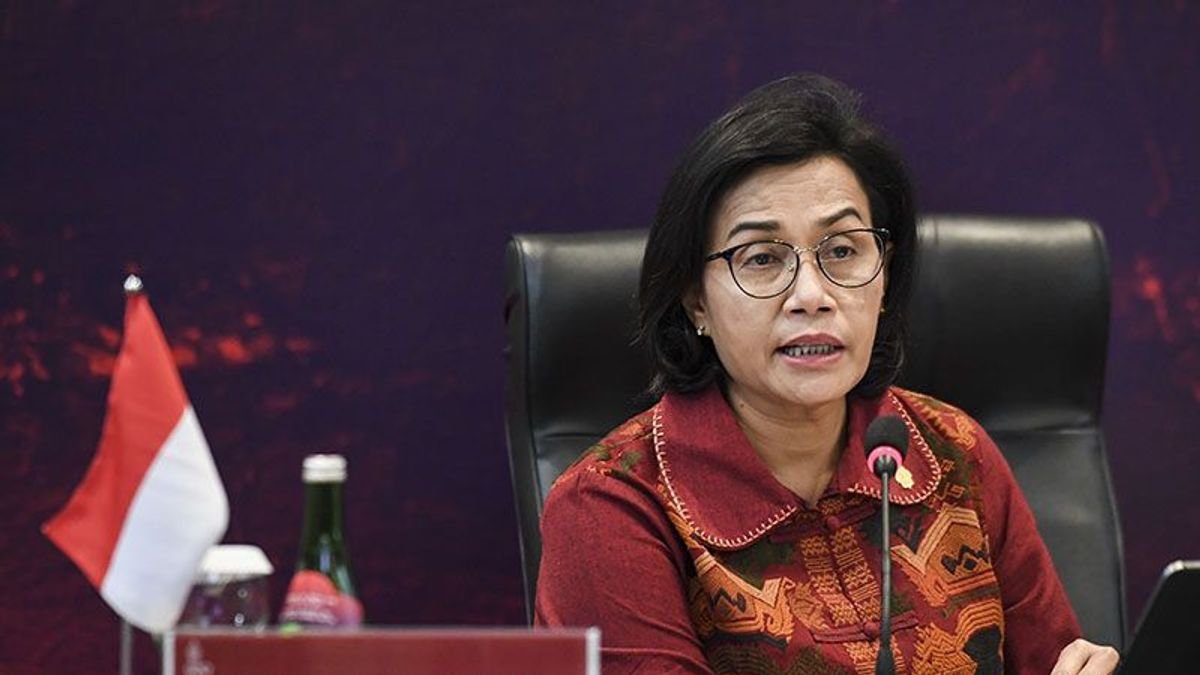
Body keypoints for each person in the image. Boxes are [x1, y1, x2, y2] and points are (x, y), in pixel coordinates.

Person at [533, 74, 1120, 675]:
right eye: (762, 258)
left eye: (842, 250)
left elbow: (1057, 663)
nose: (812, 296)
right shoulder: (612, 506)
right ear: (695, 301)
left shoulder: (953, 451)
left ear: (885, 275)